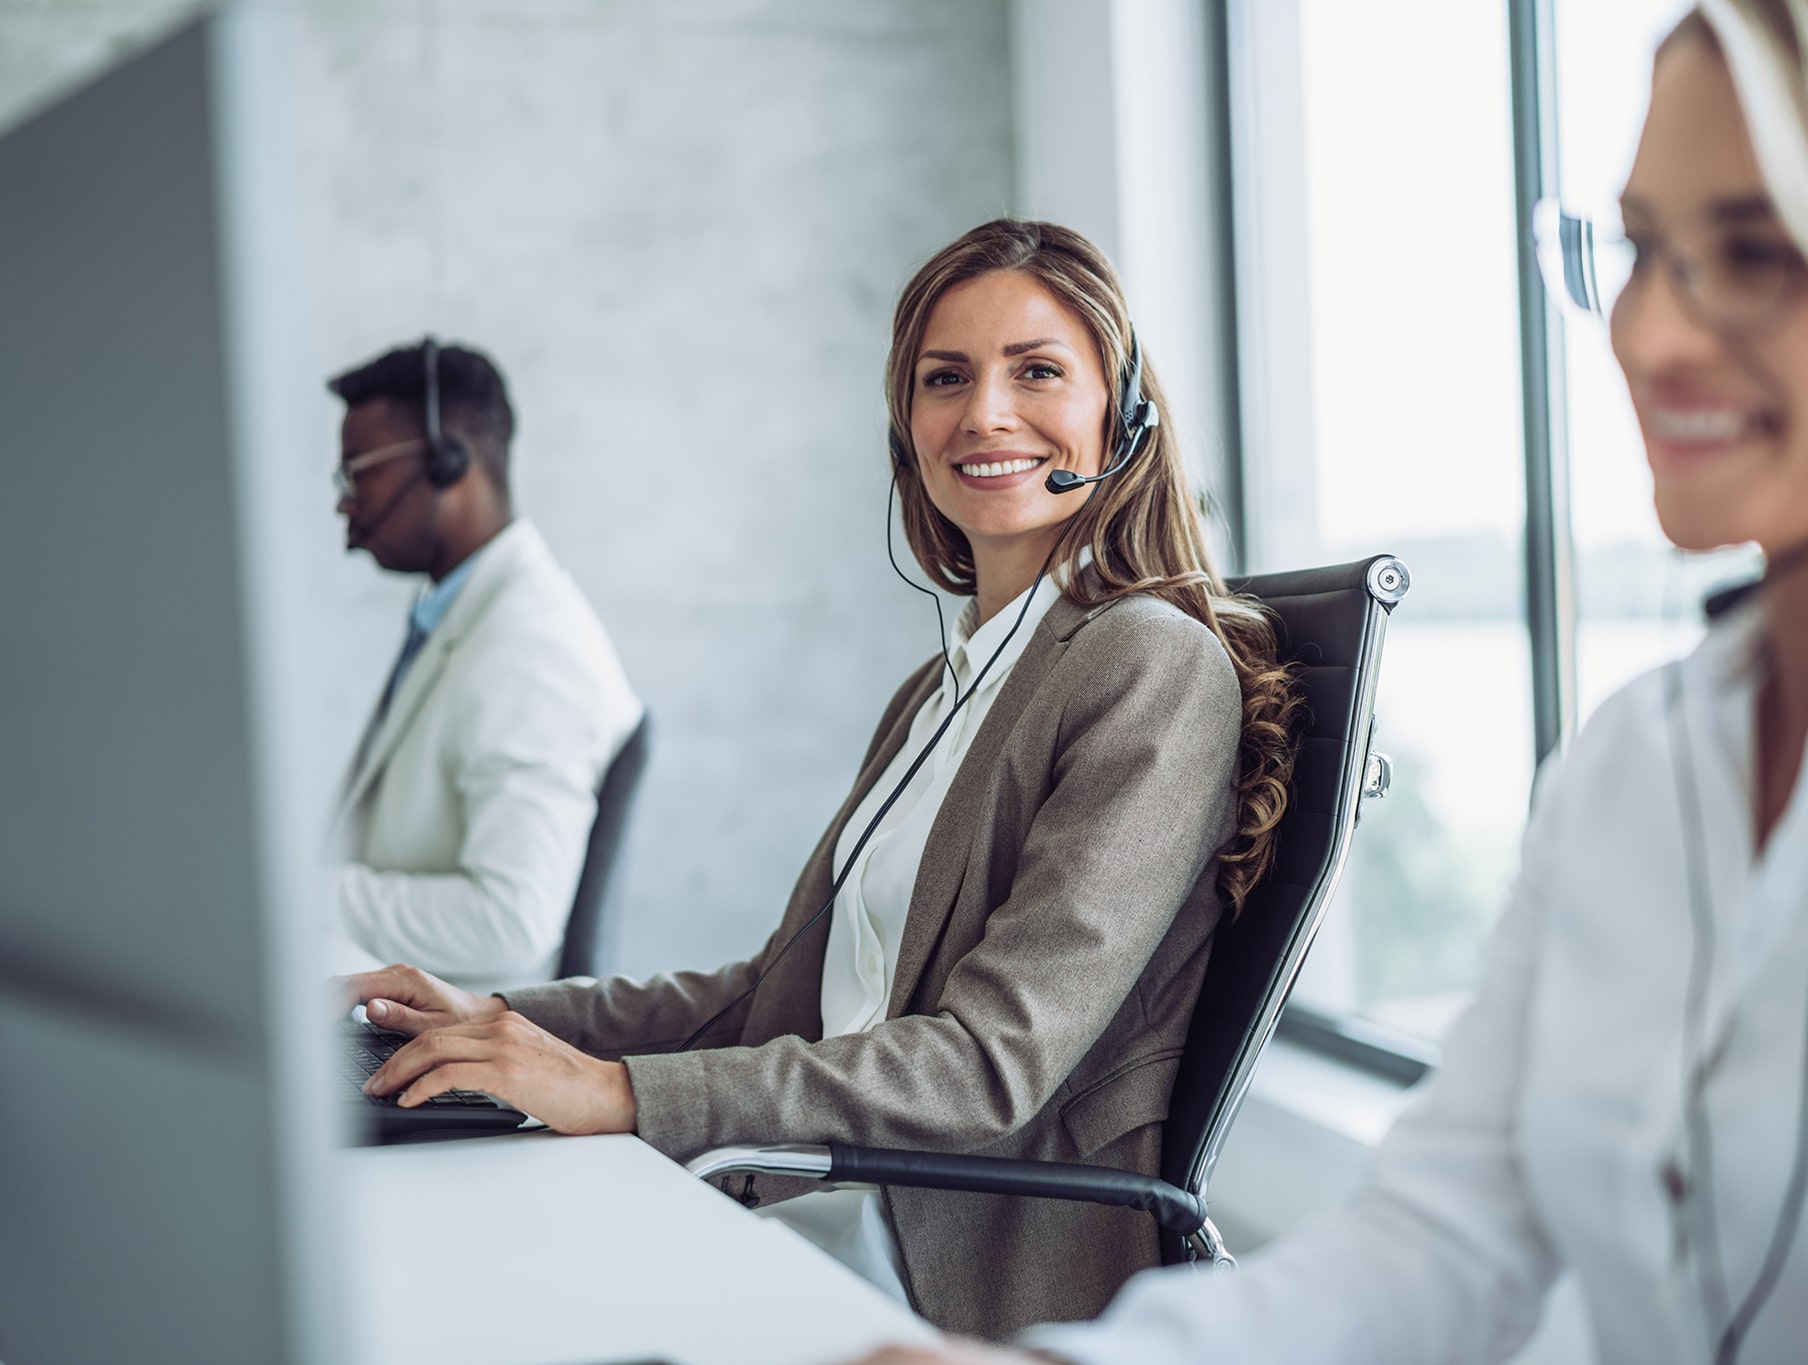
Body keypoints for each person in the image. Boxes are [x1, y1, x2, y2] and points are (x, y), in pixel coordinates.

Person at [847, 2, 1808, 1363]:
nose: (1650, 335)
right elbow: (1439, 1244)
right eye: (1645, 250)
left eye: (1757, 252)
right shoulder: (1641, 761)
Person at [339, 223, 1301, 1338]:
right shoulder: (942, 688)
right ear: (909, 431)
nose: (984, 413)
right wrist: (497, 1019)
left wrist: (618, 1097)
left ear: (1120, 416)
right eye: (946, 379)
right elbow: (770, 997)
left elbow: (988, 1067)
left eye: (1036, 371)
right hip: (822, 1207)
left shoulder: (1148, 664)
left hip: (953, 1264)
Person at [327, 338, 642, 993]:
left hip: (452, 1041)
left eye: (359, 472)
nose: (344, 501)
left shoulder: (531, 646)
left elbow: (511, 922)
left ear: (448, 462)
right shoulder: (459, 614)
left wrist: (305, 897)